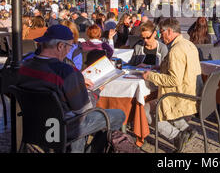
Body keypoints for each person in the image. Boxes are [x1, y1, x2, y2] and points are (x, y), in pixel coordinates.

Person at [16, 24, 126, 153]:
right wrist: (96, 91)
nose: (69, 51)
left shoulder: (25, 65)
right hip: (61, 127)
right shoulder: (66, 72)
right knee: (119, 115)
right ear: (60, 46)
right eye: (69, 46)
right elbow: (84, 110)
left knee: (75, 115)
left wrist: (77, 84)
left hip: (33, 125)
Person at [142, 18, 202, 153]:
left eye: (161, 32)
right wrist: (158, 67)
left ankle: (176, 136)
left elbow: (173, 80)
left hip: (179, 95)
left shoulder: (176, 50)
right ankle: (187, 130)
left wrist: (150, 75)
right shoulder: (188, 44)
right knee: (155, 104)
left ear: (169, 31)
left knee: (144, 109)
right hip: (190, 92)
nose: (160, 35)